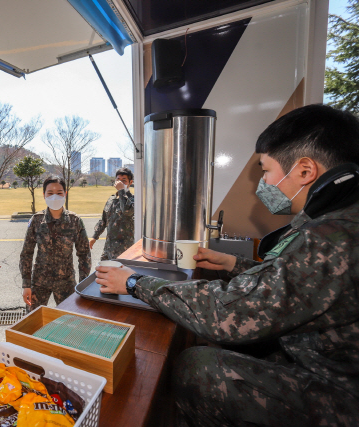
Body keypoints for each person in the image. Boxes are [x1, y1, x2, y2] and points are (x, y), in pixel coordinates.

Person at [96, 104, 359, 426]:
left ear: (305, 171)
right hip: (323, 361)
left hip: (341, 393)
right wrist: (234, 263)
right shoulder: (340, 217)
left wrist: (135, 283)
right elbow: (290, 282)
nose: (262, 182)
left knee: (200, 366)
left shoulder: (333, 236)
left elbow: (227, 315)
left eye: (265, 170)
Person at [20, 175, 92, 311]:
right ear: (44, 195)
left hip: (66, 282)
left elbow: (84, 254)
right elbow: (26, 254)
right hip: (39, 282)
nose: (55, 197)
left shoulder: (75, 221)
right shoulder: (36, 220)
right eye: (50, 193)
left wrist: (83, 284)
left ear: (65, 194)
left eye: (59, 193)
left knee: (70, 320)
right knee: (32, 320)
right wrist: (26, 285)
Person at [89, 167, 135, 260]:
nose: (120, 183)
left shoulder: (133, 200)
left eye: (124, 180)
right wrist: (94, 237)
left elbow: (126, 211)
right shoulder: (111, 199)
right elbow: (104, 220)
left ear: (130, 182)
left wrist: (122, 191)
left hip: (124, 250)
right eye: (118, 180)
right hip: (108, 248)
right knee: (101, 272)